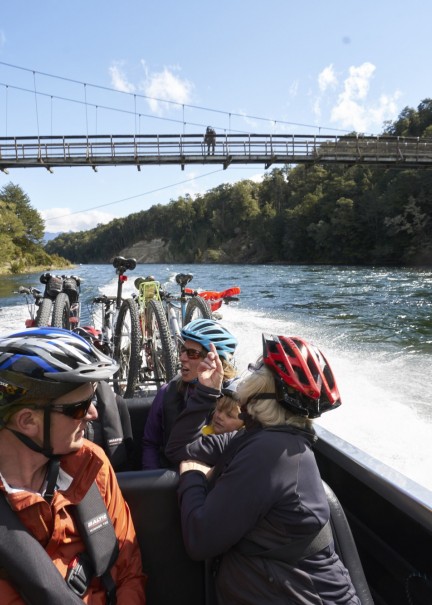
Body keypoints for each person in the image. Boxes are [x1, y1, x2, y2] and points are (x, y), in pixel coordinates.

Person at [170, 334, 360, 605]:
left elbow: (199, 539)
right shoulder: (256, 437)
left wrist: (192, 476)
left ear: (265, 391)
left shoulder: (272, 453)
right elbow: (181, 448)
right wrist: (206, 392)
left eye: (258, 368)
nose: (250, 371)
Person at [0, 327, 146, 604]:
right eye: (79, 407)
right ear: (27, 421)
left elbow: (127, 572)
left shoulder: (90, 465)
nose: (93, 414)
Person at [141, 318, 238, 470]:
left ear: (212, 360)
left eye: (192, 353)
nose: (182, 357)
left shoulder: (234, 402)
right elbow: (150, 444)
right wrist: (152, 482)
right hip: (169, 478)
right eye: (182, 349)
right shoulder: (167, 393)